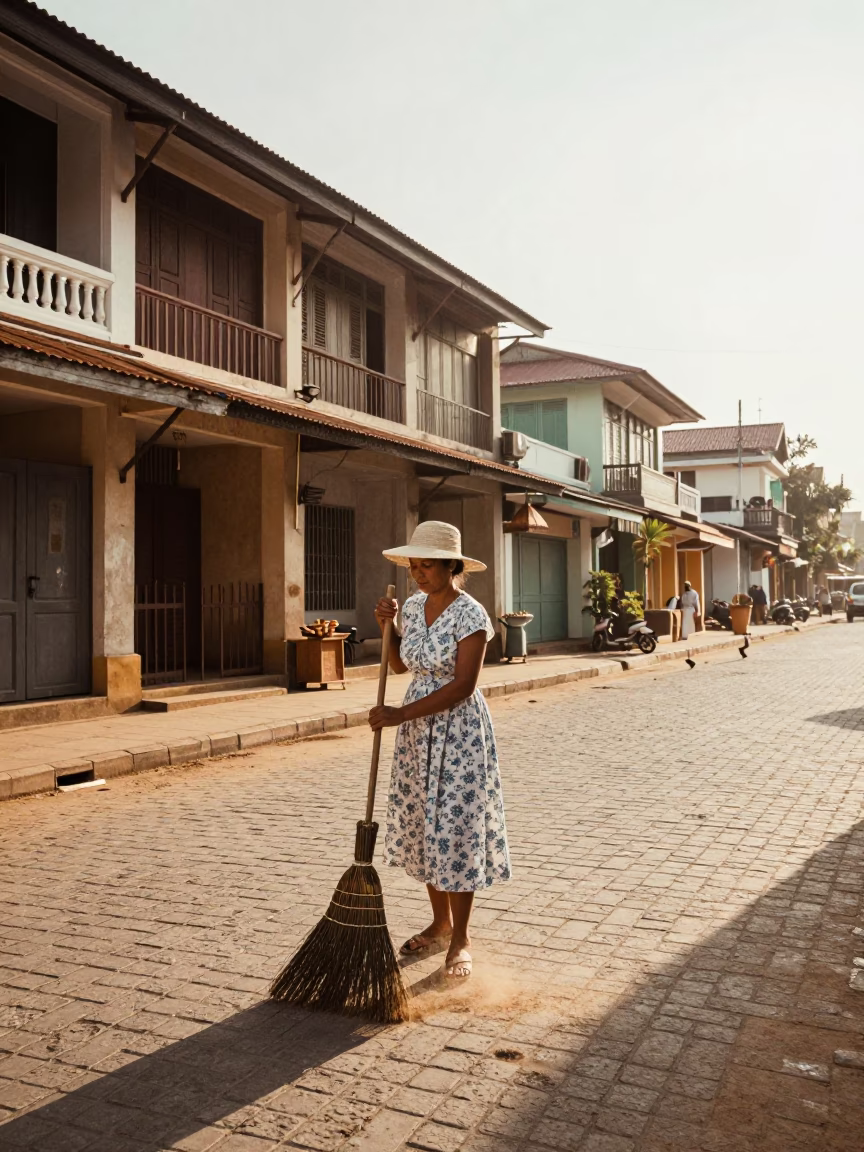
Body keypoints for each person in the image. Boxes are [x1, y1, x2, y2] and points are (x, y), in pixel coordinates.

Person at [370, 521, 509, 981]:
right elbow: (399, 663)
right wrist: (385, 627)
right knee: (426, 827)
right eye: (414, 564)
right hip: (416, 734)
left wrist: (398, 715)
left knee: (456, 830)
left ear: (452, 566)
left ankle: (462, 938)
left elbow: (463, 686)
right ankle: (439, 923)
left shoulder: (472, 615)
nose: (418, 572)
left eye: (427, 564)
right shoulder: (410, 606)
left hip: (460, 733)